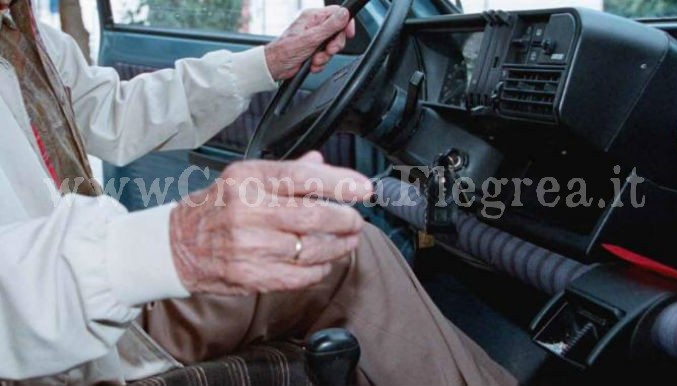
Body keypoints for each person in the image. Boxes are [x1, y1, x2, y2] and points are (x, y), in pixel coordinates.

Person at [0, 0, 517, 384]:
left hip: (73, 289)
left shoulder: (25, 34)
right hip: (44, 333)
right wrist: (171, 246)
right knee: (345, 251)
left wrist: (267, 63)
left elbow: (109, 110)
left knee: (336, 242)